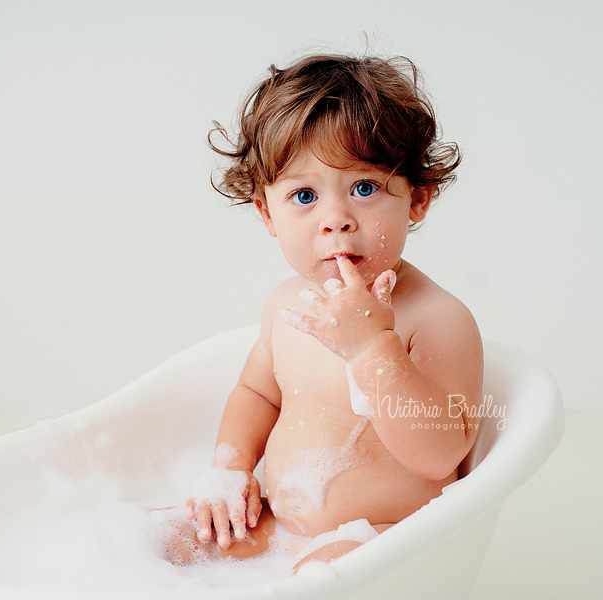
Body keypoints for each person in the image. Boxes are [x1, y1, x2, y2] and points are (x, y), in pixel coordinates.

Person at [168, 53, 483, 572]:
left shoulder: (437, 318)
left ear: (418, 199)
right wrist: (231, 468)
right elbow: (256, 394)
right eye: (305, 195)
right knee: (173, 541)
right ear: (268, 213)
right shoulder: (286, 303)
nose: (335, 220)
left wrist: (373, 348)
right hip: (281, 524)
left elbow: (440, 455)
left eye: (364, 188)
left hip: (385, 537)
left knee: (321, 580)